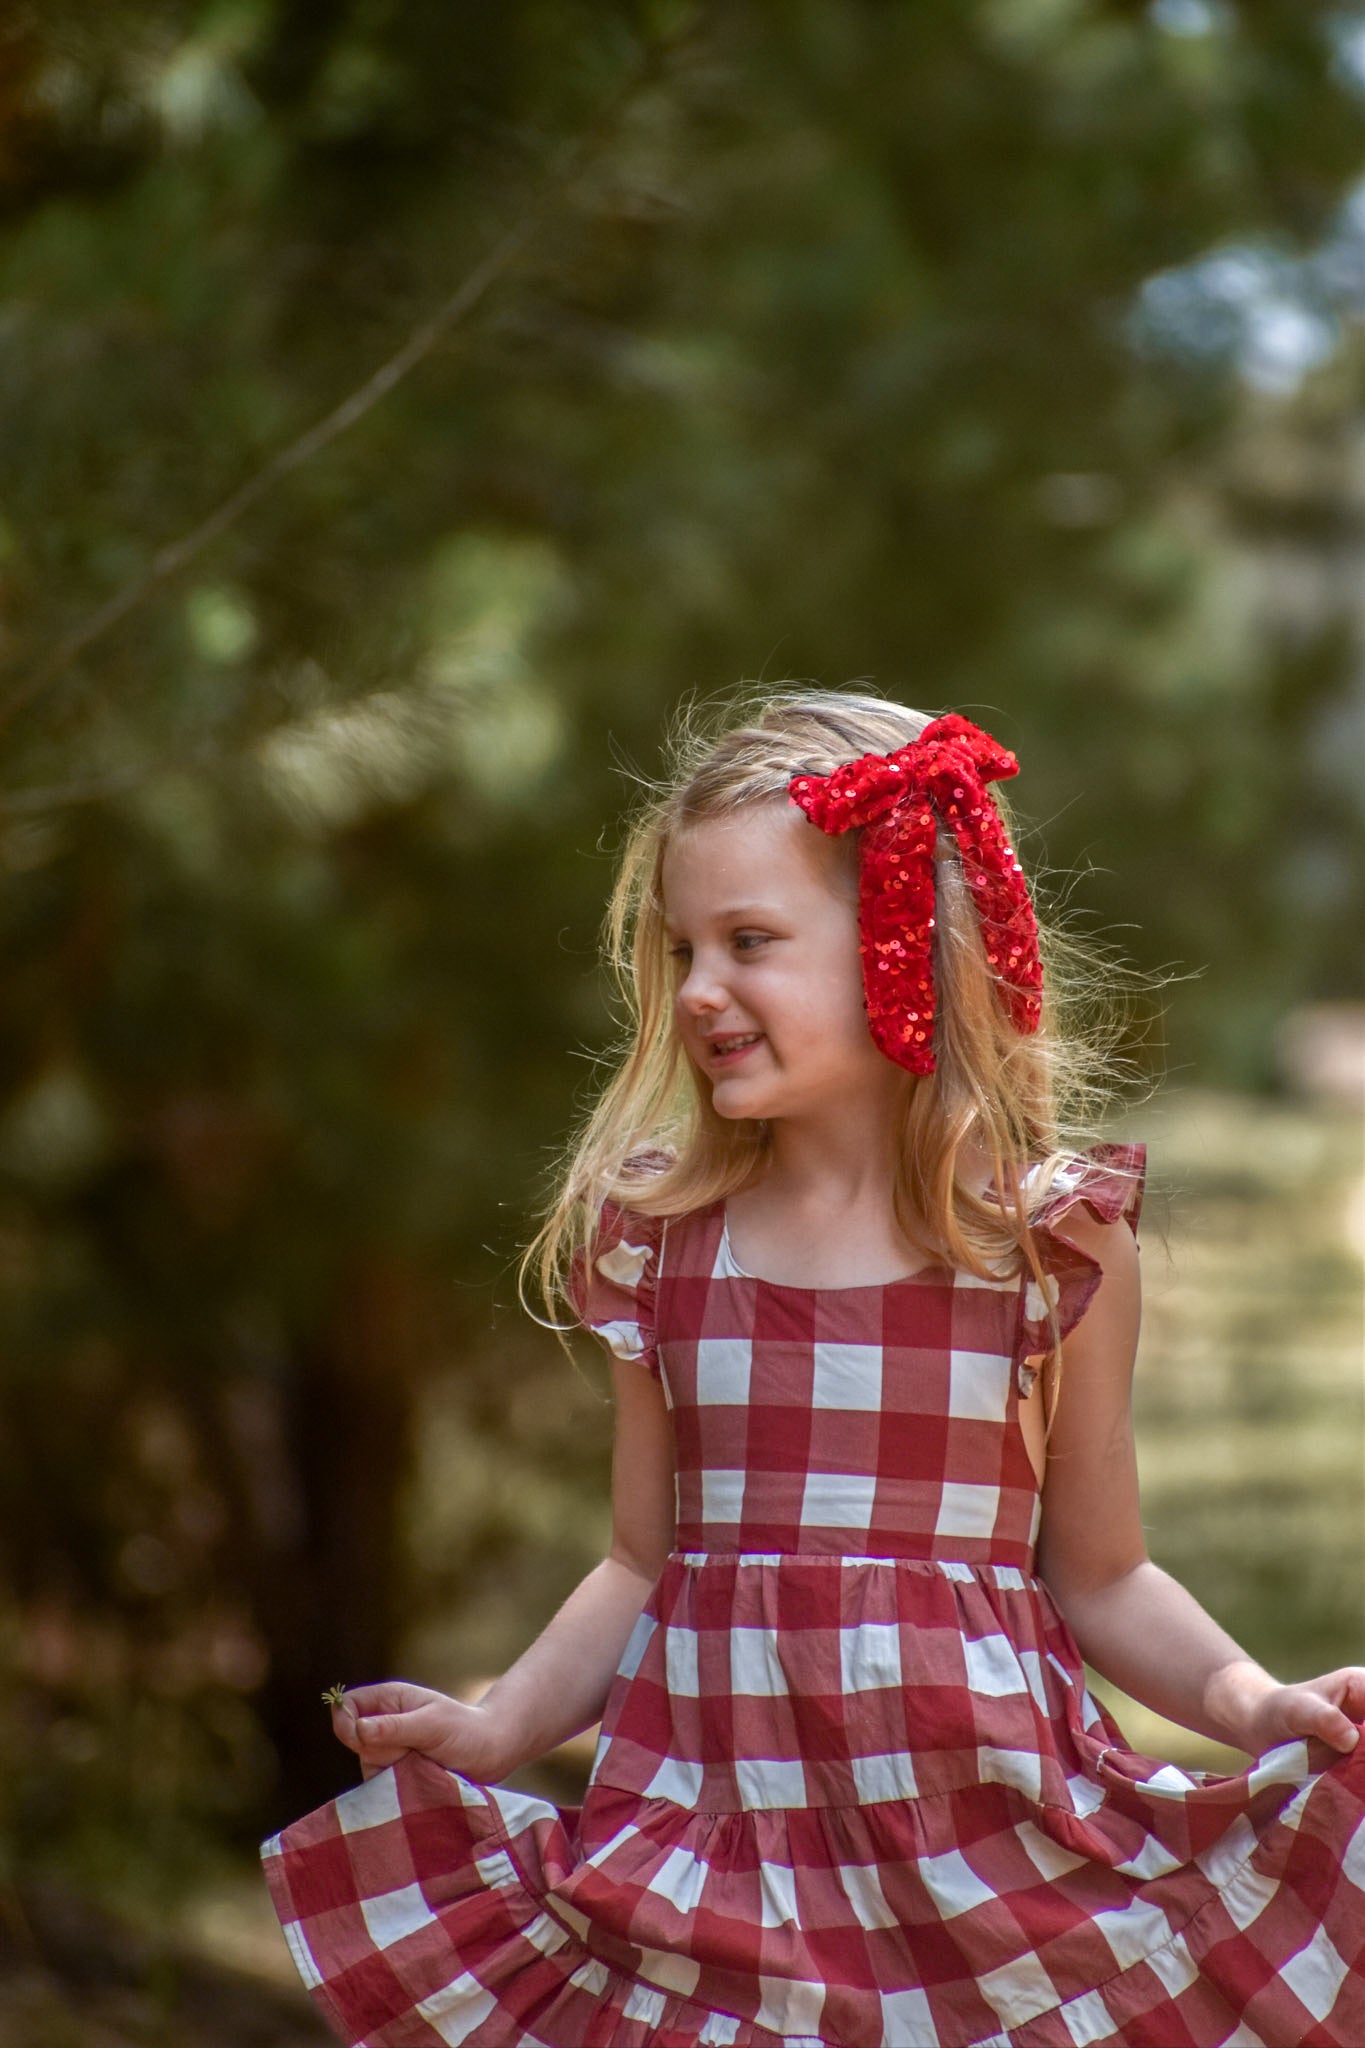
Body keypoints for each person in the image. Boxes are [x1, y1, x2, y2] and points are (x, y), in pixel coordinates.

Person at [260, 691, 1365, 2047]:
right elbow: (634, 1561)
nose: (700, 989)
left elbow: (1104, 1570)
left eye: (750, 942)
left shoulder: (1042, 1246)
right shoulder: (658, 1245)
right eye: (681, 951)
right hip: (715, 1852)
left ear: (906, 946)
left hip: (985, 1856)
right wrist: (497, 1733)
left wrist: (1254, 1703)